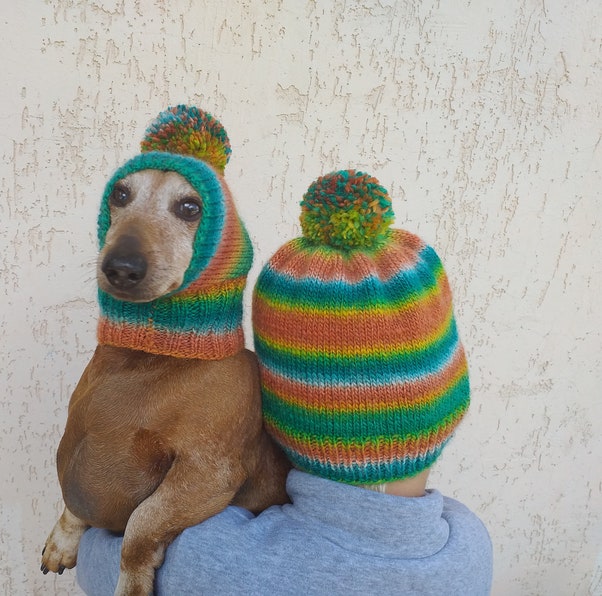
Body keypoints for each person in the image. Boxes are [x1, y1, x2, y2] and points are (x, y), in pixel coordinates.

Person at [75, 170, 494, 595]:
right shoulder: (470, 544)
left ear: (270, 407)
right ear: (451, 402)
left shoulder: (214, 560)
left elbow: (96, 539)